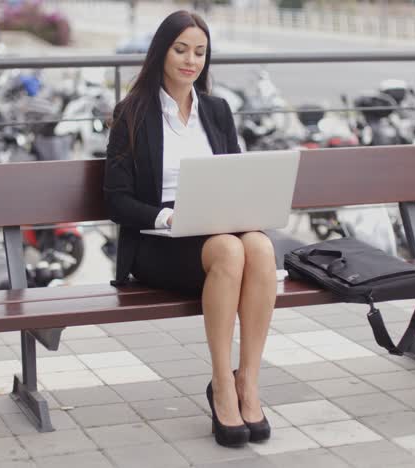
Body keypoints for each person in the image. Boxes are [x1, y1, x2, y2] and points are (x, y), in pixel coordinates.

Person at [104, 10, 277, 448]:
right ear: (161, 51)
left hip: (215, 229)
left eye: (200, 52)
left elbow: (235, 177)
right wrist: (167, 217)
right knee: (229, 251)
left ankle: (248, 383)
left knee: (257, 245)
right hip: (157, 241)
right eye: (181, 49)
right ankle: (221, 383)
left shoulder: (216, 111)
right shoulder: (132, 113)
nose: (190, 60)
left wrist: (247, 209)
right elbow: (116, 200)